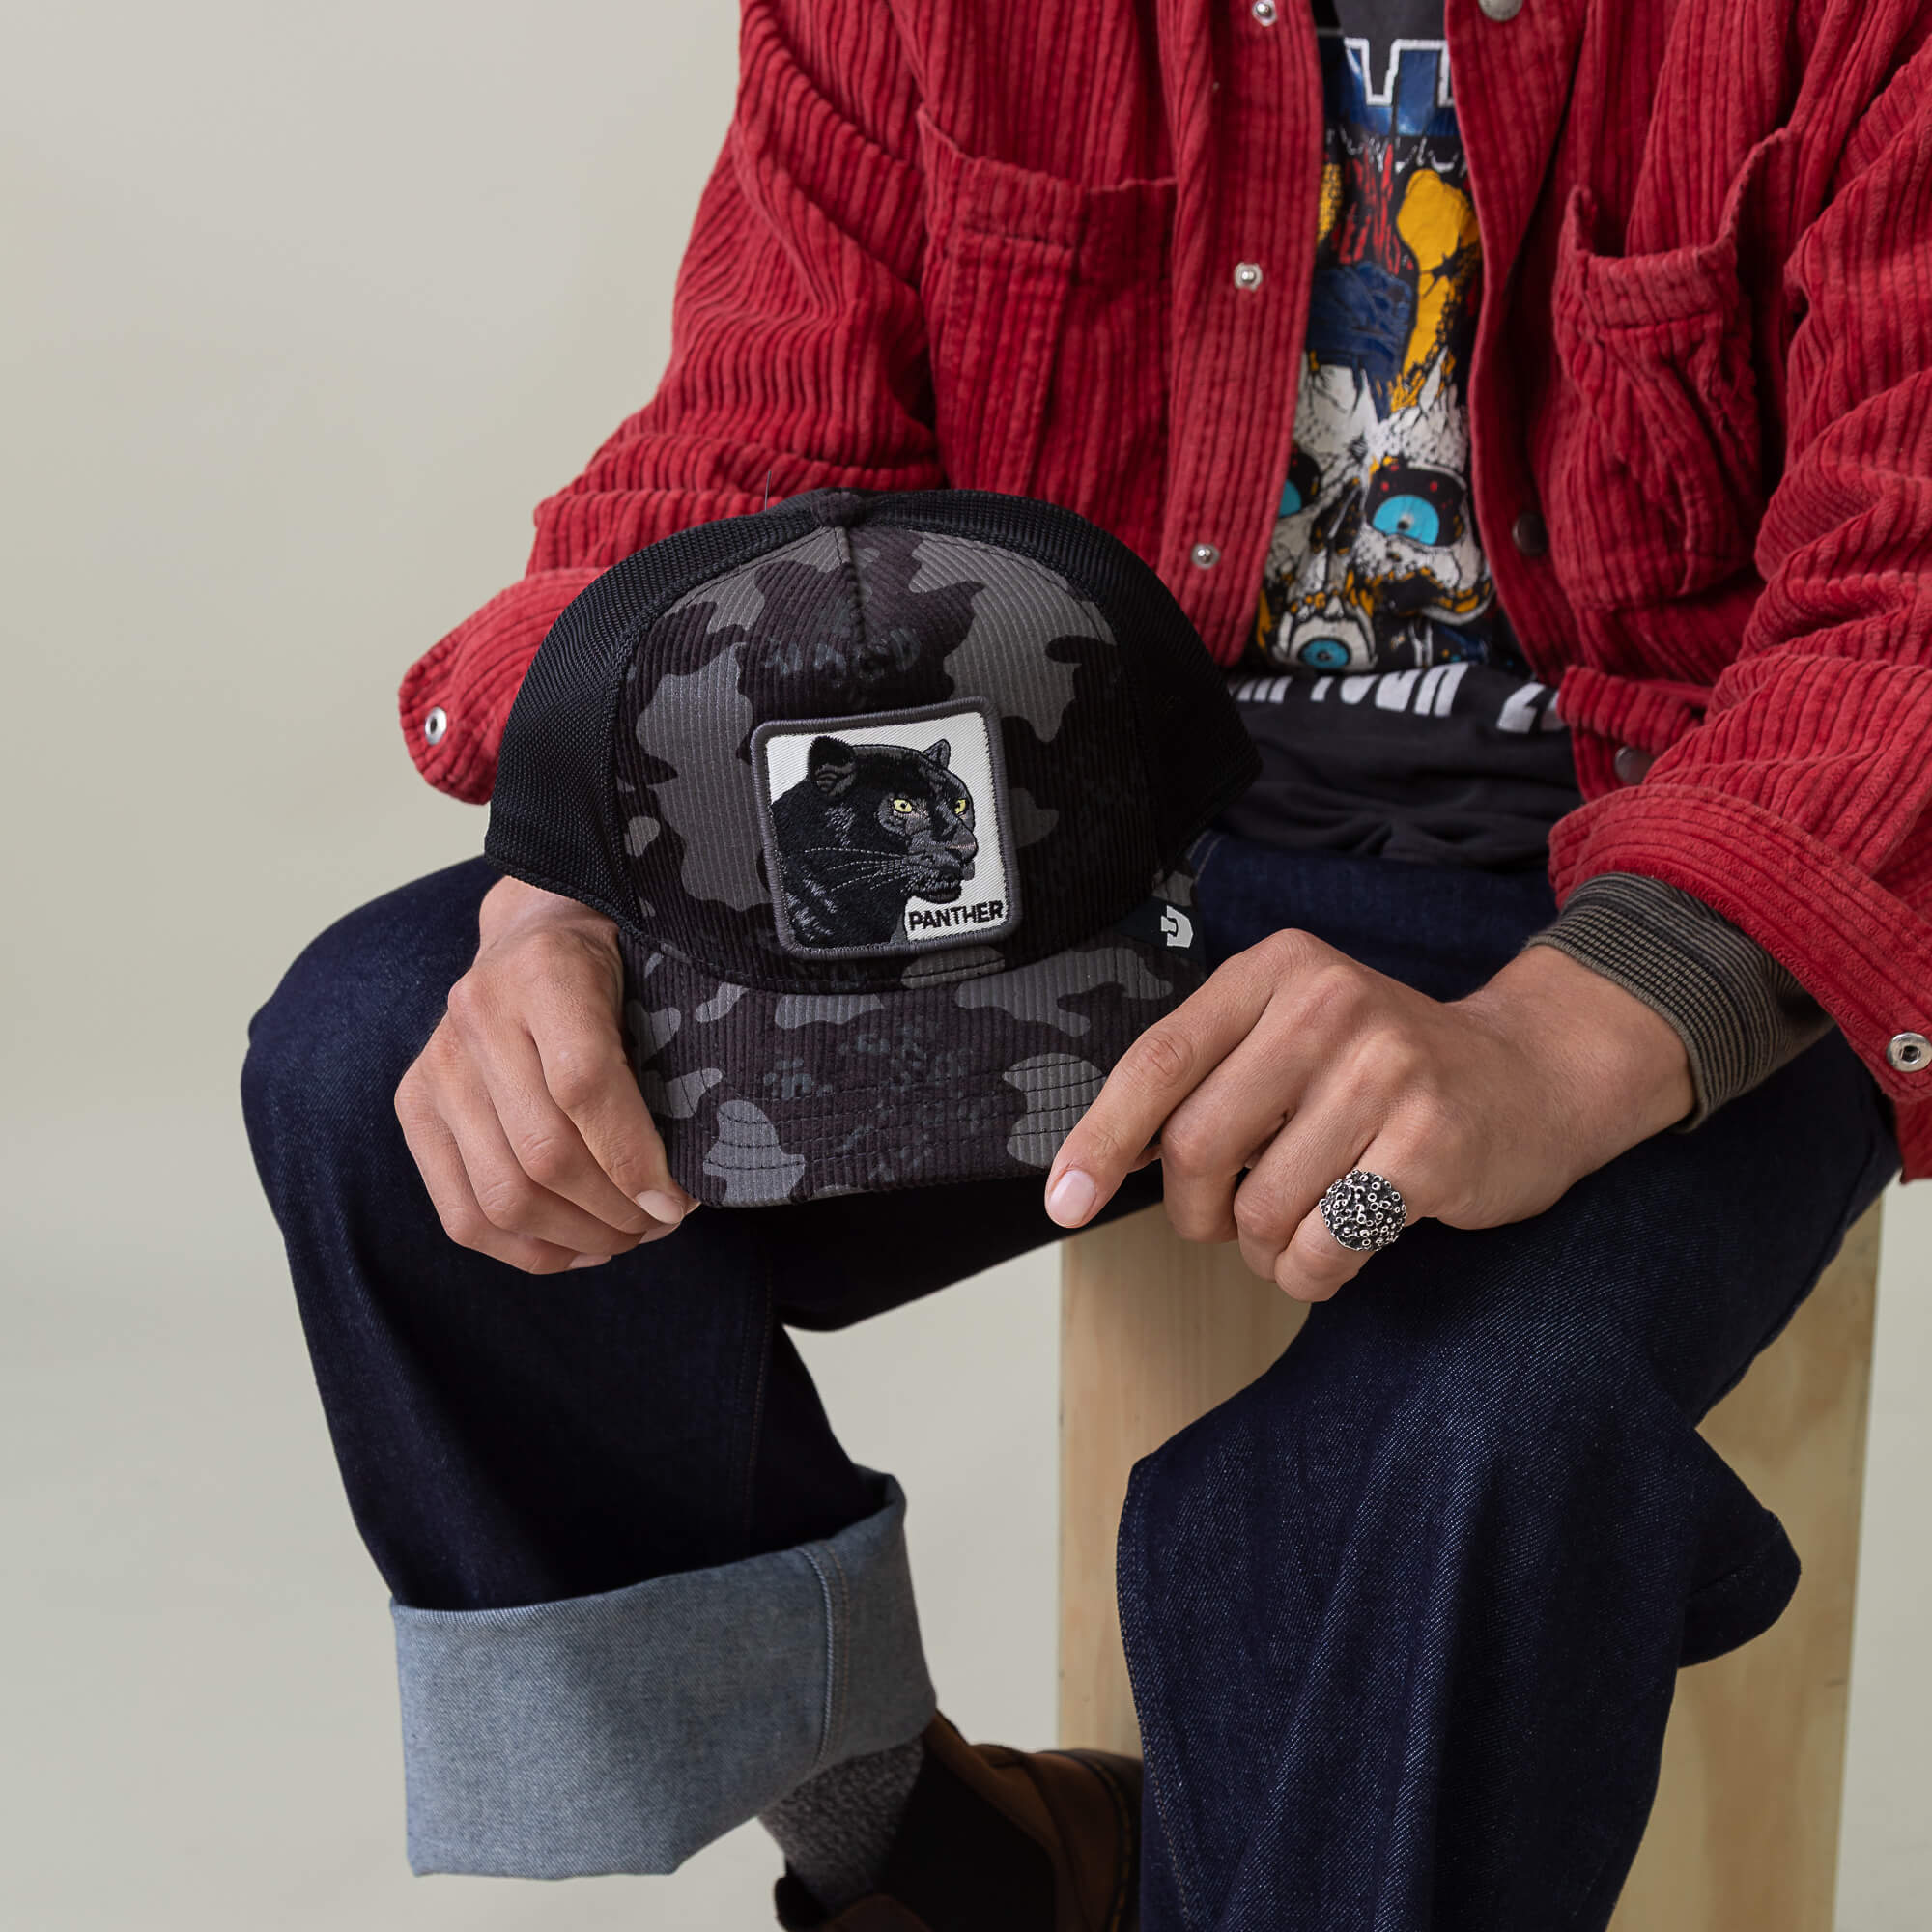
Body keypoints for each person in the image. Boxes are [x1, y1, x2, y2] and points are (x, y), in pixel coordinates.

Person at [241, 0, 1932, 1925]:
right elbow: (772, 449)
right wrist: (568, 877)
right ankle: (921, 1849)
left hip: (1646, 860)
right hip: (1081, 828)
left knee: (1479, 1433)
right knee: (390, 1067)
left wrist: (1557, 1041)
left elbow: (1909, 589)